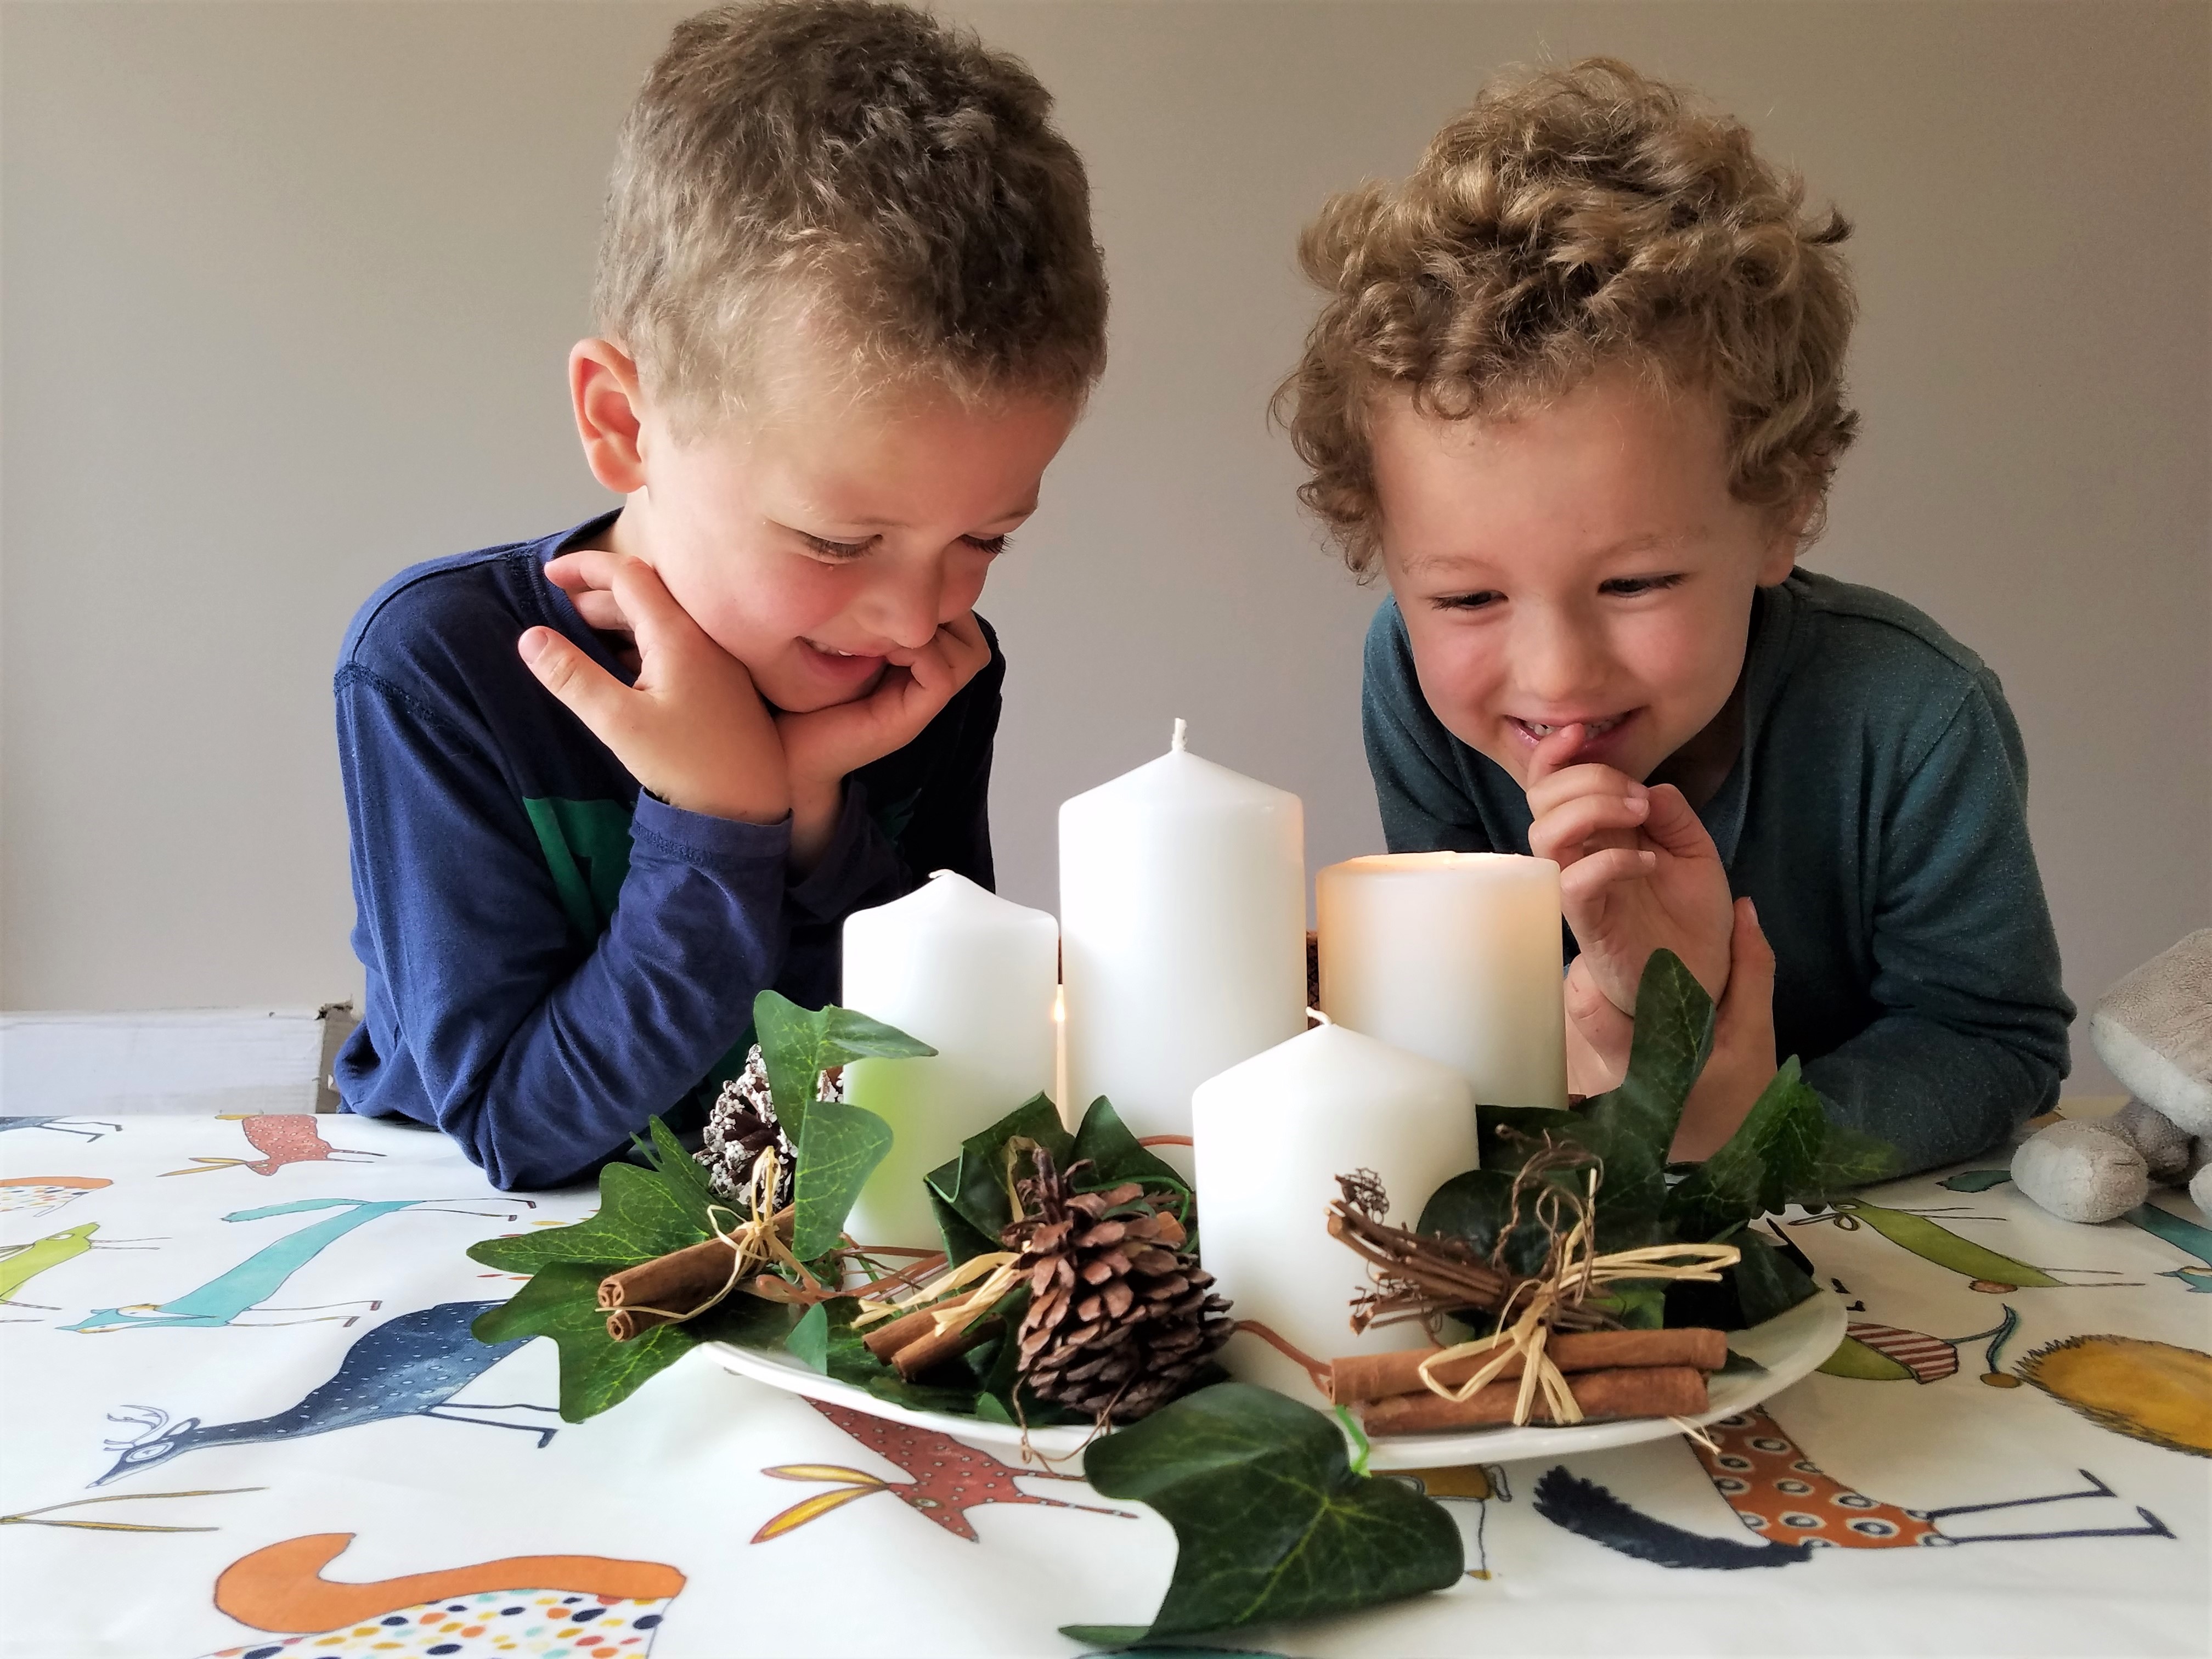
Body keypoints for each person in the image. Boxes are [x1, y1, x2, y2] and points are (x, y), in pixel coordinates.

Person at [332, 0, 1106, 1189]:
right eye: (839, 542)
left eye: (987, 537)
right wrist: (722, 828)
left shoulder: (938, 669)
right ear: (624, 424)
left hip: (790, 1265)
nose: (913, 619)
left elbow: (930, 1061)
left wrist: (812, 827)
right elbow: (519, 1131)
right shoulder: (443, 671)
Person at [1277, 59, 2071, 1173]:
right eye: (1467, 598)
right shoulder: (1411, 679)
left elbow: (1993, 1039)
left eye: (1634, 583)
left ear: (1782, 511)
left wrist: (1745, 1135)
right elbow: (1463, 1024)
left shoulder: (1915, 716)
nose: (1553, 678)